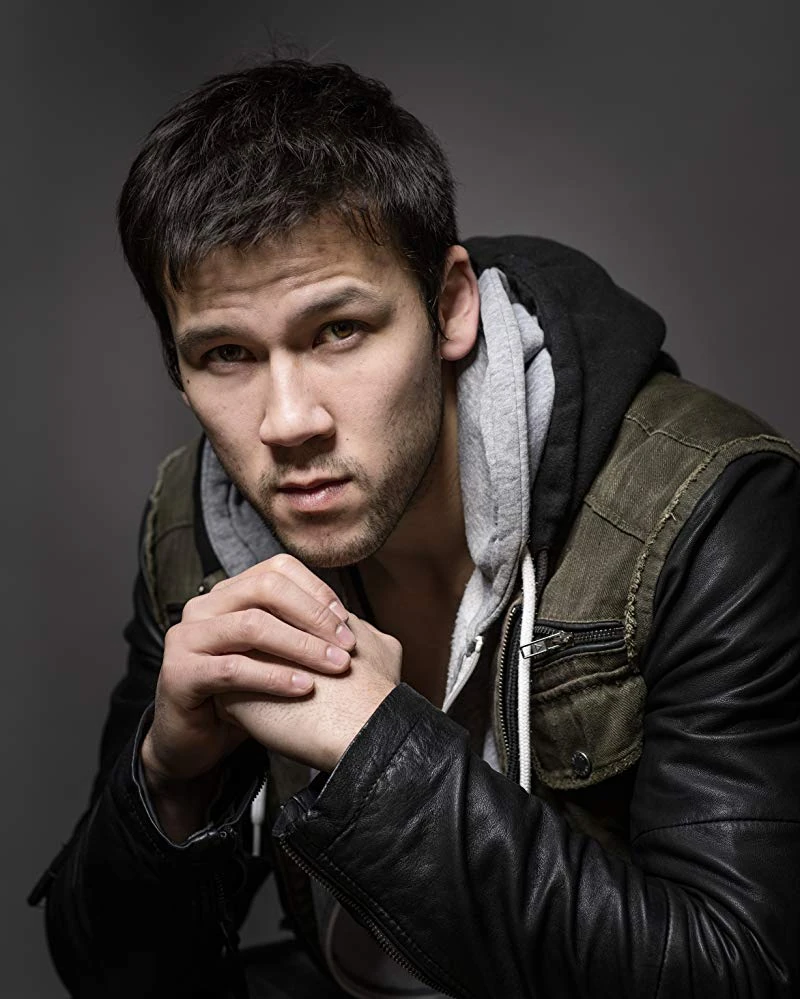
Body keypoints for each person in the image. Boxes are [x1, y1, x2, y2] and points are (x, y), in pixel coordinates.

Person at [29, 59, 800, 999]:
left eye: (338, 330)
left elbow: (742, 974)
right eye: (226, 353)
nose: (288, 422)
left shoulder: (704, 507)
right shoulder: (197, 528)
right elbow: (110, 976)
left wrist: (379, 750)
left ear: (450, 306)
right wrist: (170, 778)